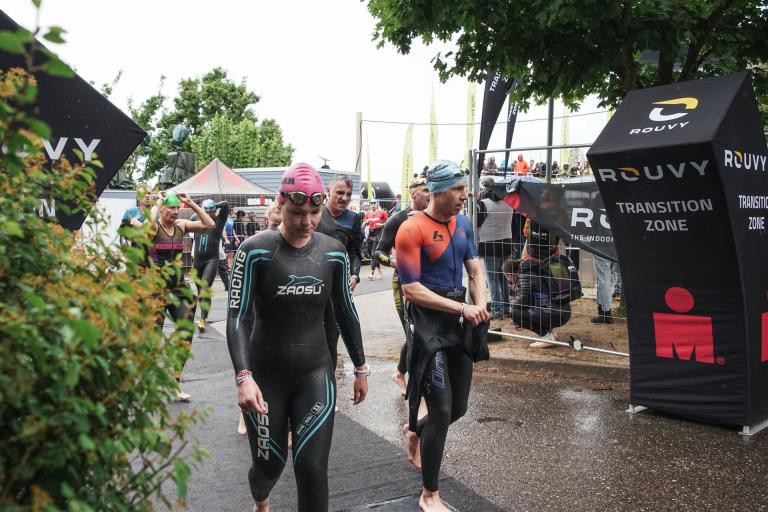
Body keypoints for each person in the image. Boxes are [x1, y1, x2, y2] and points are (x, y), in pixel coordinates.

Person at [227, 163, 368, 512]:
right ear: (281, 204)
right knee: (268, 468)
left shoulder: (333, 252)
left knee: (312, 470)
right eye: (297, 213)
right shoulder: (254, 250)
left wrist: (361, 367)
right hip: (265, 377)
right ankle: (261, 499)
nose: (307, 222)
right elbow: (237, 316)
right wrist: (243, 377)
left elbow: (346, 311)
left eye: (314, 213)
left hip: (314, 374)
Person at [395, 160, 489, 512]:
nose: (465, 195)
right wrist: (463, 308)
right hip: (428, 326)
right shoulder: (411, 229)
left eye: (465, 188)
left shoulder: (463, 224)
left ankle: (414, 431)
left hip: (457, 323)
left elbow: (475, 271)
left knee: (459, 408)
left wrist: (481, 305)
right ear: (437, 191)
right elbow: (412, 289)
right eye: (458, 189)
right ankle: (429, 494)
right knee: (442, 408)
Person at [146, 192, 214, 401]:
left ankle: (174, 382)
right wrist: (159, 201)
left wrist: (191, 203)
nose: (176, 212)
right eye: (172, 208)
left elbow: (209, 224)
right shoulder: (154, 228)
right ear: (162, 208)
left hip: (178, 287)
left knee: (186, 332)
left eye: (177, 208)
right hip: (155, 289)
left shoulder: (181, 226)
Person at [373, 177, 430, 396]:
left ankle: (401, 373)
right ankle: (411, 382)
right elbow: (377, 252)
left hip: (429, 281)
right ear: (414, 194)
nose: (430, 195)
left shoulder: (433, 217)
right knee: (413, 332)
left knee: (424, 332)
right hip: (404, 282)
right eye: (425, 190)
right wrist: (396, 262)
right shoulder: (398, 219)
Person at [315, 173, 363, 369]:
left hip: (338, 286)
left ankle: (328, 377)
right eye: (340, 192)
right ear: (328, 191)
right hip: (313, 282)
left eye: (348, 194)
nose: (344, 198)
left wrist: (355, 275)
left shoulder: (353, 219)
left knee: (332, 335)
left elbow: (356, 252)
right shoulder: (315, 213)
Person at [504, 256, 571, 348]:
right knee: (534, 304)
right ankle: (550, 332)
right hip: (563, 311)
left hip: (555, 314)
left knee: (516, 313)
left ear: (509, 275)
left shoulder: (525, 276)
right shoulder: (535, 270)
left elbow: (522, 301)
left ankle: (546, 336)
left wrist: (511, 306)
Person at [476, 187, 516, 320]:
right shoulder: (509, 204)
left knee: (492, 279)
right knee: (504, 277)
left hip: (489, 244)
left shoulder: (483, 204)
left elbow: (476, 223)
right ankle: (505, 307)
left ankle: (497, 309)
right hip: (507, 243)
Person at [191, 199, 230, 333]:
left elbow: (225, 205)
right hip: (198, 260)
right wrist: (202, 210)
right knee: (200, 292)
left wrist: (214, 205)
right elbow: (192, 219)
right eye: (207, 212)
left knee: (205, 288)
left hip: (211, 260)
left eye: (212, 212)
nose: (209, 215)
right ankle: (204, 314)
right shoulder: (196, 218)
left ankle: (202, 318)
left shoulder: (219, 221)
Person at [363, 201, 388, 280]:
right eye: (371, 204)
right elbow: (364, 224)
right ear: (370, 205)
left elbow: (388, 221)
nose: (373, 205)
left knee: (374, 254)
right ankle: (380, 270)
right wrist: (365, 223)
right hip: (370, 234)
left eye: (374, 204)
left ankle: (371, 272)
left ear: (377, 205)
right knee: (372, 254)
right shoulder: (368, 214)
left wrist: (382, 225)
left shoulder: (381, 213)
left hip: (378, 234)